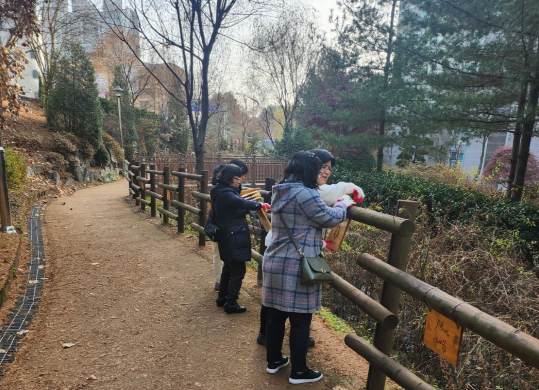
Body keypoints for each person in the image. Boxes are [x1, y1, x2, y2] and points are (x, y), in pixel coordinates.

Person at [261, 151, 356, 384]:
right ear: (308, 170)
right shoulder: (306, 194)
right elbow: (330, 218)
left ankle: (274, 361)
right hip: (297, 264)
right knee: (301, 320)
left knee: (276, 315)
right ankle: (299, 371)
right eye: (320, 168)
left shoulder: (281, 190)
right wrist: (344, 203)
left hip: (275, 259)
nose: (323, 172)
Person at [211, 163, 270, 313]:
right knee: (238, 270)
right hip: (233, 235)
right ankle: (231, 302)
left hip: (227, 235)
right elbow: (241, 202)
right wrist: (259, 204)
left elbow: (237, 204)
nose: (239, 181)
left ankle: (222, 297)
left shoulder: (218, 190)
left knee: (228, 268)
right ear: (229, 178)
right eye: (237, 178)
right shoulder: (226, 193)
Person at [211, 159, 249, 291]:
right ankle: (226, 293)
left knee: (227, 263)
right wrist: (258, 205)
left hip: (224, 226)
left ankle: (223, 291)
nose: (241, 180)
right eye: (239, 176)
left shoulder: (222, 188)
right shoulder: (225, 190)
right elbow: (236, 202)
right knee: (231, 263)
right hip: (227, 228)